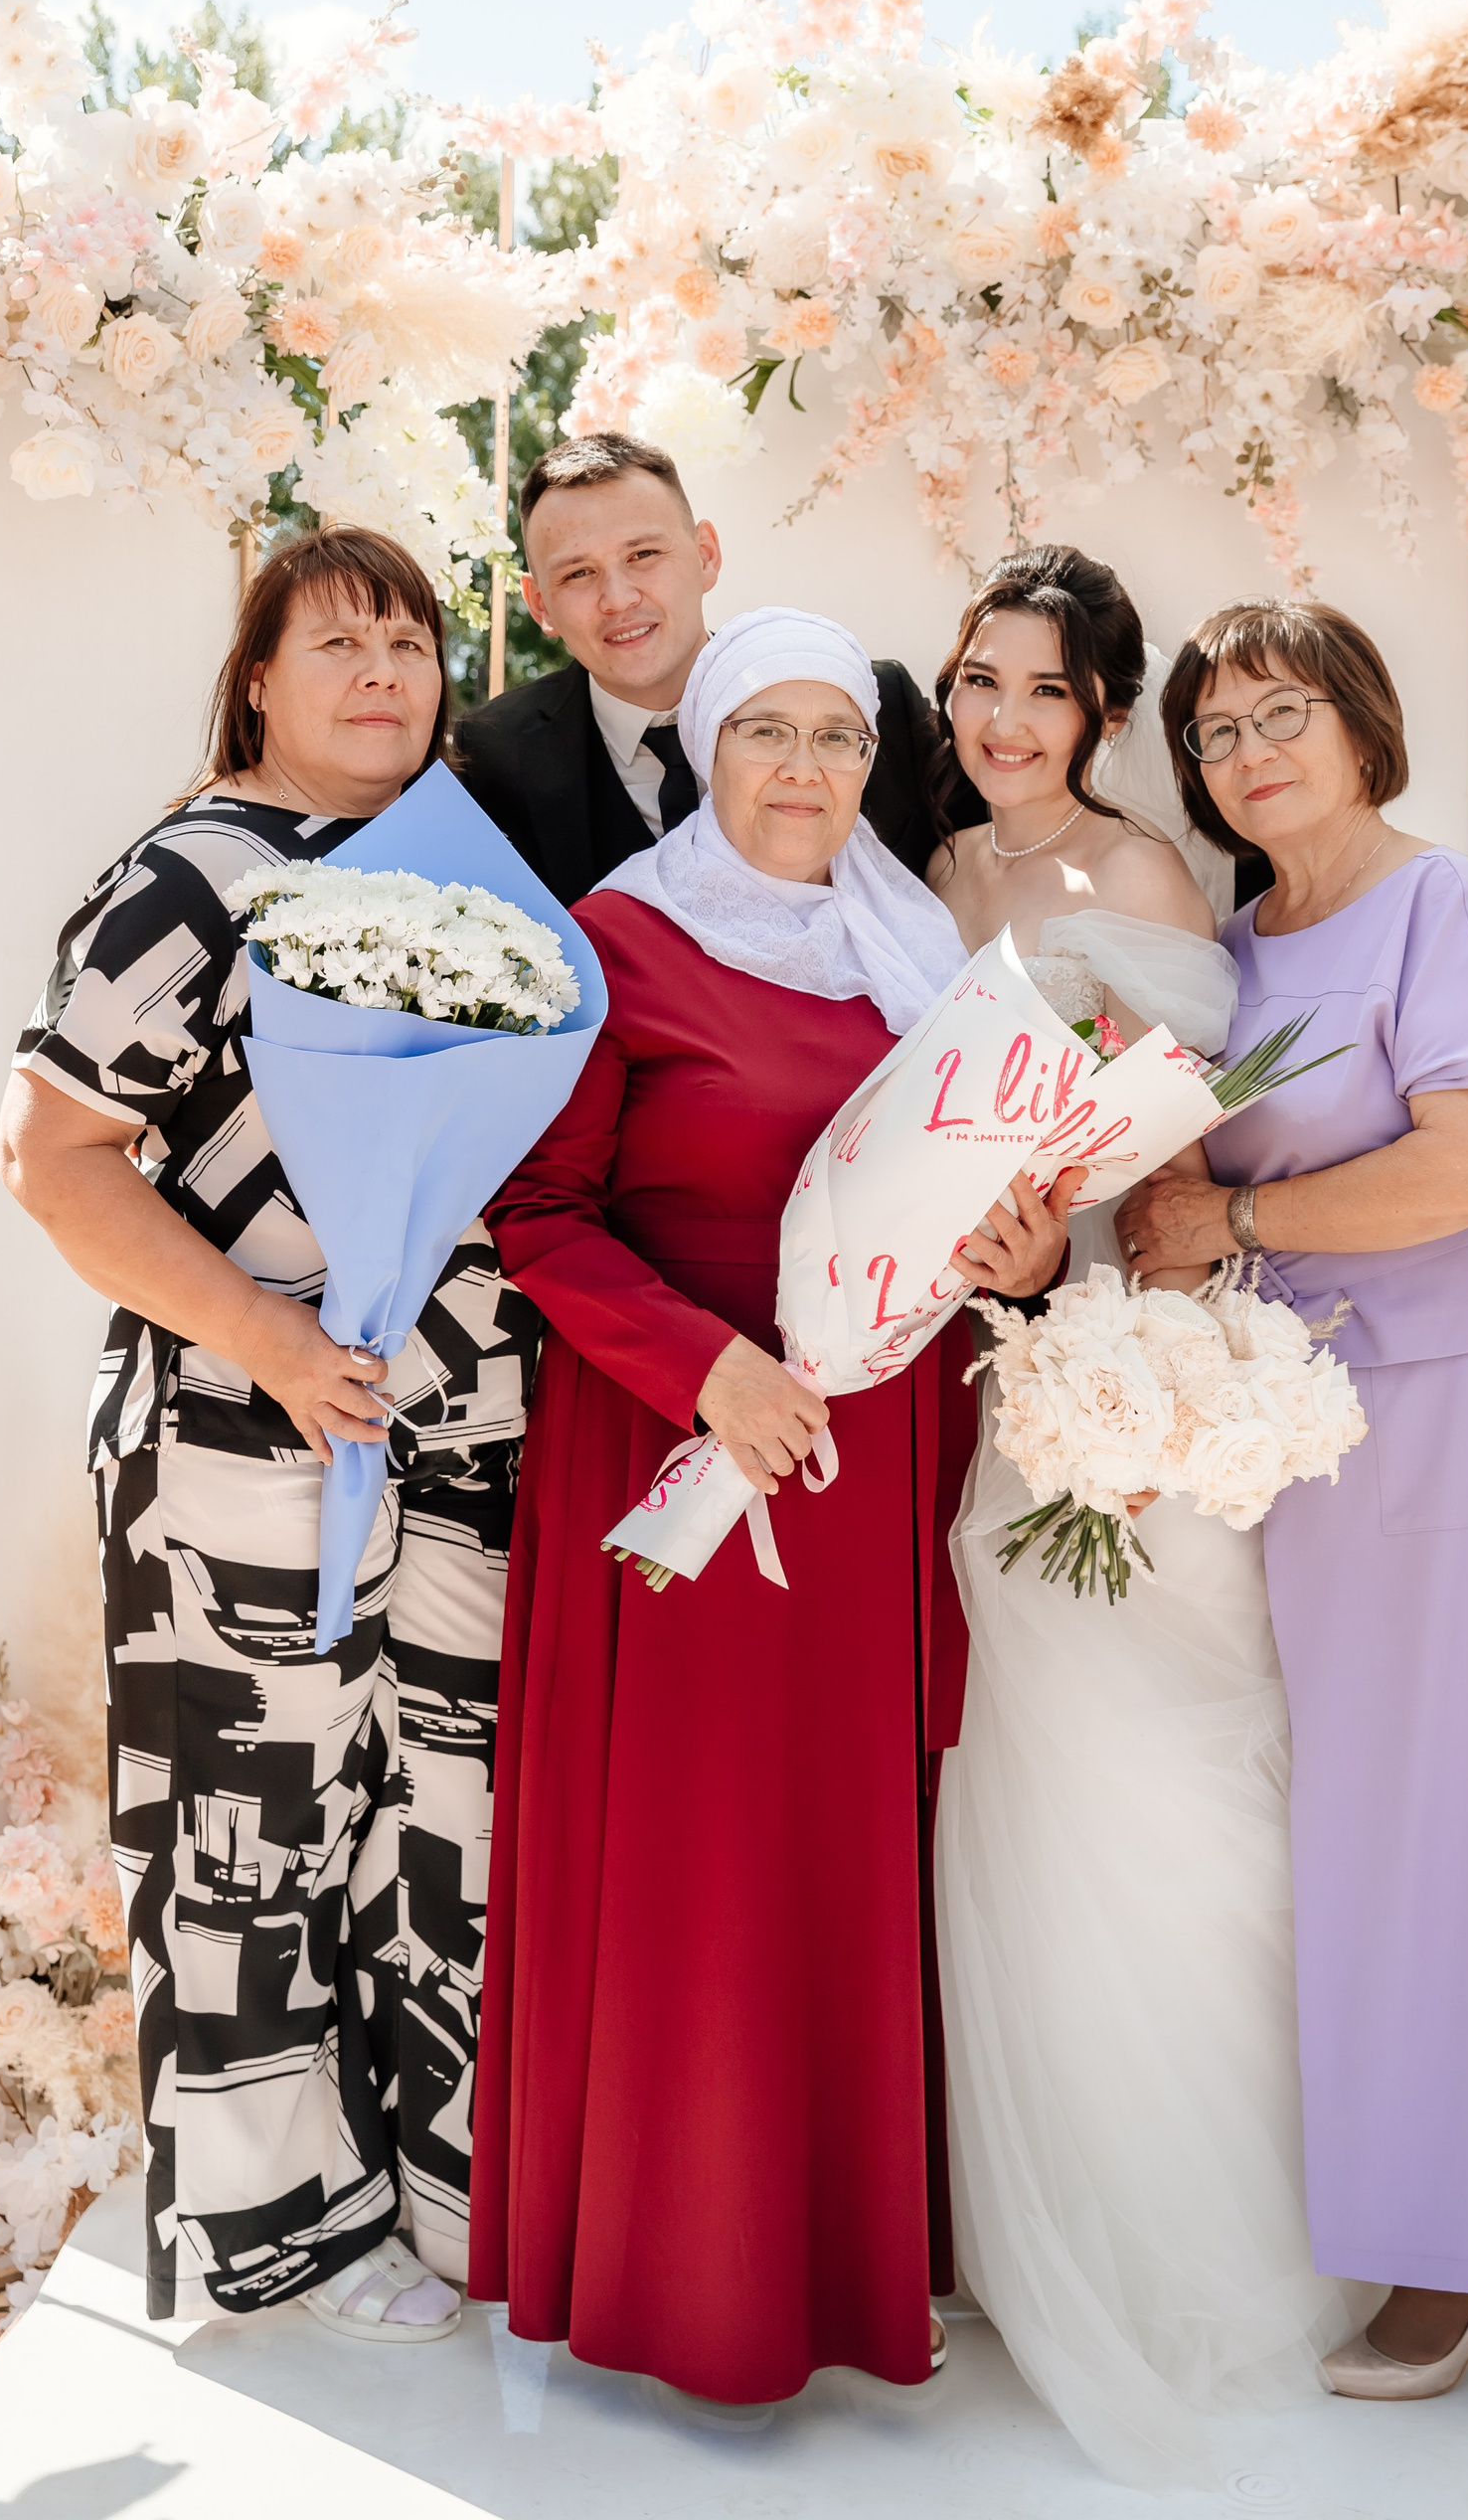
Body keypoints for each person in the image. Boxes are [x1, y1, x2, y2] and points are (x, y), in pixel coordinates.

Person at [465, 606, 1081, 2404]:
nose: (803, 769)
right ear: (706, 749)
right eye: (764, 732)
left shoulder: (920, 956)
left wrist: (1025, 1260)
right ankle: (679, 2279)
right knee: (699, 1857)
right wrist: (704, 1372)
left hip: (873, 1457)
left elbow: (973, 1199)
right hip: (685, 1443)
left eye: (836, 738)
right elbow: (538, 1214)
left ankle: (838, 2266)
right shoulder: (617, 942)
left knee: (838, 1853)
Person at [1120, 594, 1468, 2400]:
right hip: (1305, 1421)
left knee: (1449, 1820)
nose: (1250, 752)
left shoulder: (1454, 912)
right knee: (1362, 1822)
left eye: (1282, 713)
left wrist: (1234, 1216)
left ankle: (1460, 2245)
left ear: (1365, 724)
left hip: (1464, 1404)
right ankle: (1448, 2203)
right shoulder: (1227, 946)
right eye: (1216, 732)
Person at [0, 528, 540, 2342]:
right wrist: (273, 1339)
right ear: (256, 681)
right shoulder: (190, 876)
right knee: (255, 1837)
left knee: (446, 1820)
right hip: (245, 1432)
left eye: (412, 644)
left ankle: (455, 2187)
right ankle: (283, 2237)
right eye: (340, 644)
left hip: (452, 1435)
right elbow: (49, 1157)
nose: (384, 673)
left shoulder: (454, 867)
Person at [926, 548, 1362, 2485]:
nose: (1005, 720)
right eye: (979, 681)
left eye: (1045, 689)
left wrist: (1072, 1283)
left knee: (1162, 1796)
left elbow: (1174, 1166)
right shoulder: (932, 876)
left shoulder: (1149, 882)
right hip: (988, 1386)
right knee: (1026, 1790)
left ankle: (1219, 2249)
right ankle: (1053, 2235)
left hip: (1126, 1390)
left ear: (1101, 712)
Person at [452, 431, 952, 900]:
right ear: (539, 604)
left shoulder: (877, 707)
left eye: (643, 554)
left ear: (705, 555)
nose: (618, 598)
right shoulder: (493, 757)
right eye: (578, 573)